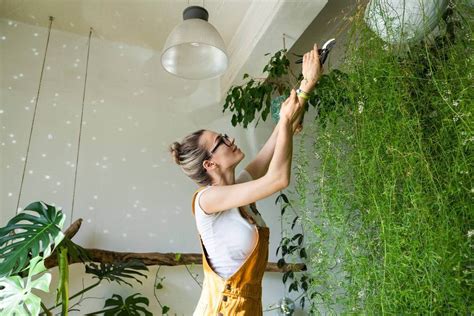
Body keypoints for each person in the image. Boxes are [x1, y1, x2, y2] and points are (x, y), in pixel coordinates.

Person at [169, 44, 322, 315]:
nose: (230, 139)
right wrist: (287, 120)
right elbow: (278, 179)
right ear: (209, 163)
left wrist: (306, 86)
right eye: (221, 141)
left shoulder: (238, 187)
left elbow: (275, 141)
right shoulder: (207, 200)